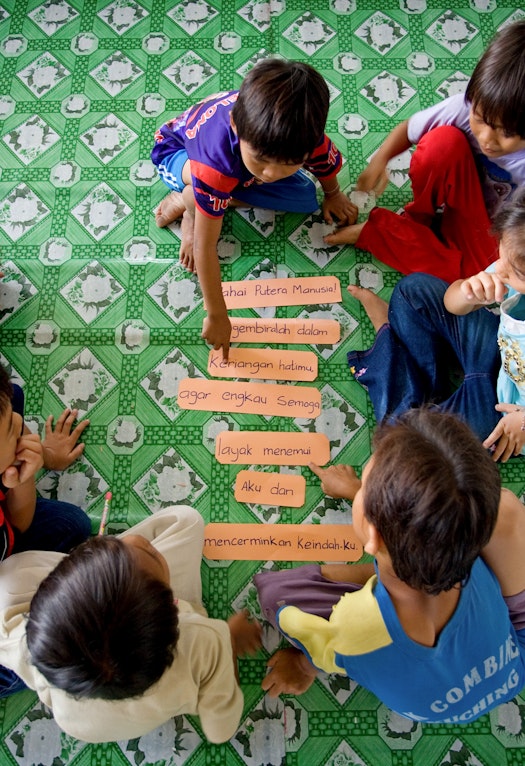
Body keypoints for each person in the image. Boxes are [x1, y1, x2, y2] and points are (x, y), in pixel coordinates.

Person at [255, 408, 525, 724]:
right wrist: (367, 498)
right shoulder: (493, 513)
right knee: (506, 512)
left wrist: (303, 666)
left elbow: (331, 649)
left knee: (275, 596)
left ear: (373, 535)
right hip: (512, 663)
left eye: (364, 486)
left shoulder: (358, 624)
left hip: (440, 692)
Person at [0, 505, 261, 743]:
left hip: (86, 729)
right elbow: (220, 732)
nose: (136, 540)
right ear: (174, 605)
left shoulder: (33, 646)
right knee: (187, 519)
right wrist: (228, 647)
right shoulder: (204, 639)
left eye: (103, 549)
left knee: (12, 571)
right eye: (152, 556)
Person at [151, 57, 357, 357]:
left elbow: (323, 166)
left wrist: (334, 194)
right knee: (207, 192)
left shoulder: (303, 135)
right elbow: (206, 248)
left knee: (305, 196)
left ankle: (216, 199)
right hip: (178, 152)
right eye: (261, 160)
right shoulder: (215, 163)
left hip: (236, 165)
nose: (271, 174)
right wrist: (217, 315)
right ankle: (190, 201)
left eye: (288, 163)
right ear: (236, 125)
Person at [324, 20, 525, 283]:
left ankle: (382, 233)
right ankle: (418, 220)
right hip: (456, 192)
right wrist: (379, 161)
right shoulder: (466, 105)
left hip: (494, 228)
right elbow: (408, 130)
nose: (486, 138)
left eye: (506, 133)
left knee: (480, 277)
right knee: (441, 143)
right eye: (479, 118)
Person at [345, 187, 525, 462]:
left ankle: (388, 343)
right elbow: (451, 303)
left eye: (515, 272)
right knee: (412, 290)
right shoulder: (511, 261)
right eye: (502, 256)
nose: (500, 270)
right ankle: (422, 385)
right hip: (496, 347)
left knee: (410, 447)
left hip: (504, 410)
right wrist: (468, 292)